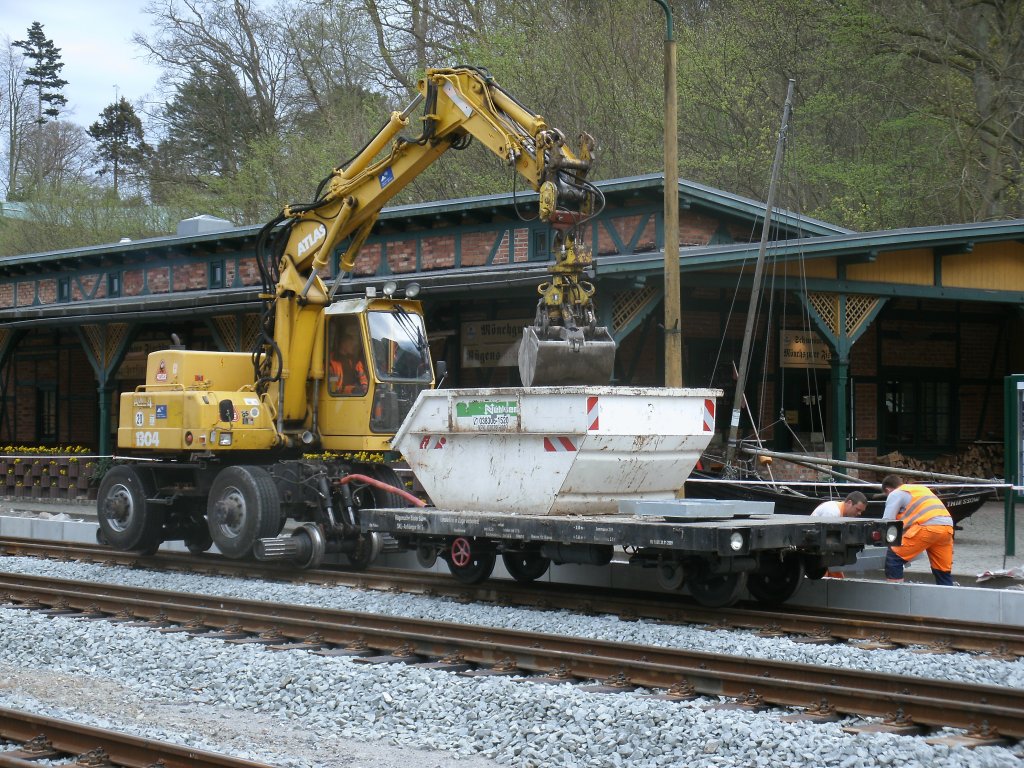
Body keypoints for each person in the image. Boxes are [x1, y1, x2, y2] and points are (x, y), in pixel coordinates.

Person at [881, 473, 955, 586]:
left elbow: (887, 521)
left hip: (928, 527)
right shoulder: (920, 489)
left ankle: (896, 596)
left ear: (887, 489)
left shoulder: (895, 493)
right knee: (942, 571)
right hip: (947, 528)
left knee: (894, 559)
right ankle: (948, 599)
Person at [810, 491, 868, 577]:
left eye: (861, 511)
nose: (859, 513)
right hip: (817, 549)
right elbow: (825, 542)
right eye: (857, 509)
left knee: (838, 577)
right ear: (849, 503)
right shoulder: (832, 512)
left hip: (828, 548)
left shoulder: (843, 513)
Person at [328, 328, 368, 396]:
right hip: (340, 398)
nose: (353, 346)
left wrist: (364, 386)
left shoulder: (354, 361)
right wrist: (351, 389)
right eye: (350, 343)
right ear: (343, 344)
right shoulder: (332, 362)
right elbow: (333, 389)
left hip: (356, 395)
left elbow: (362, 376)